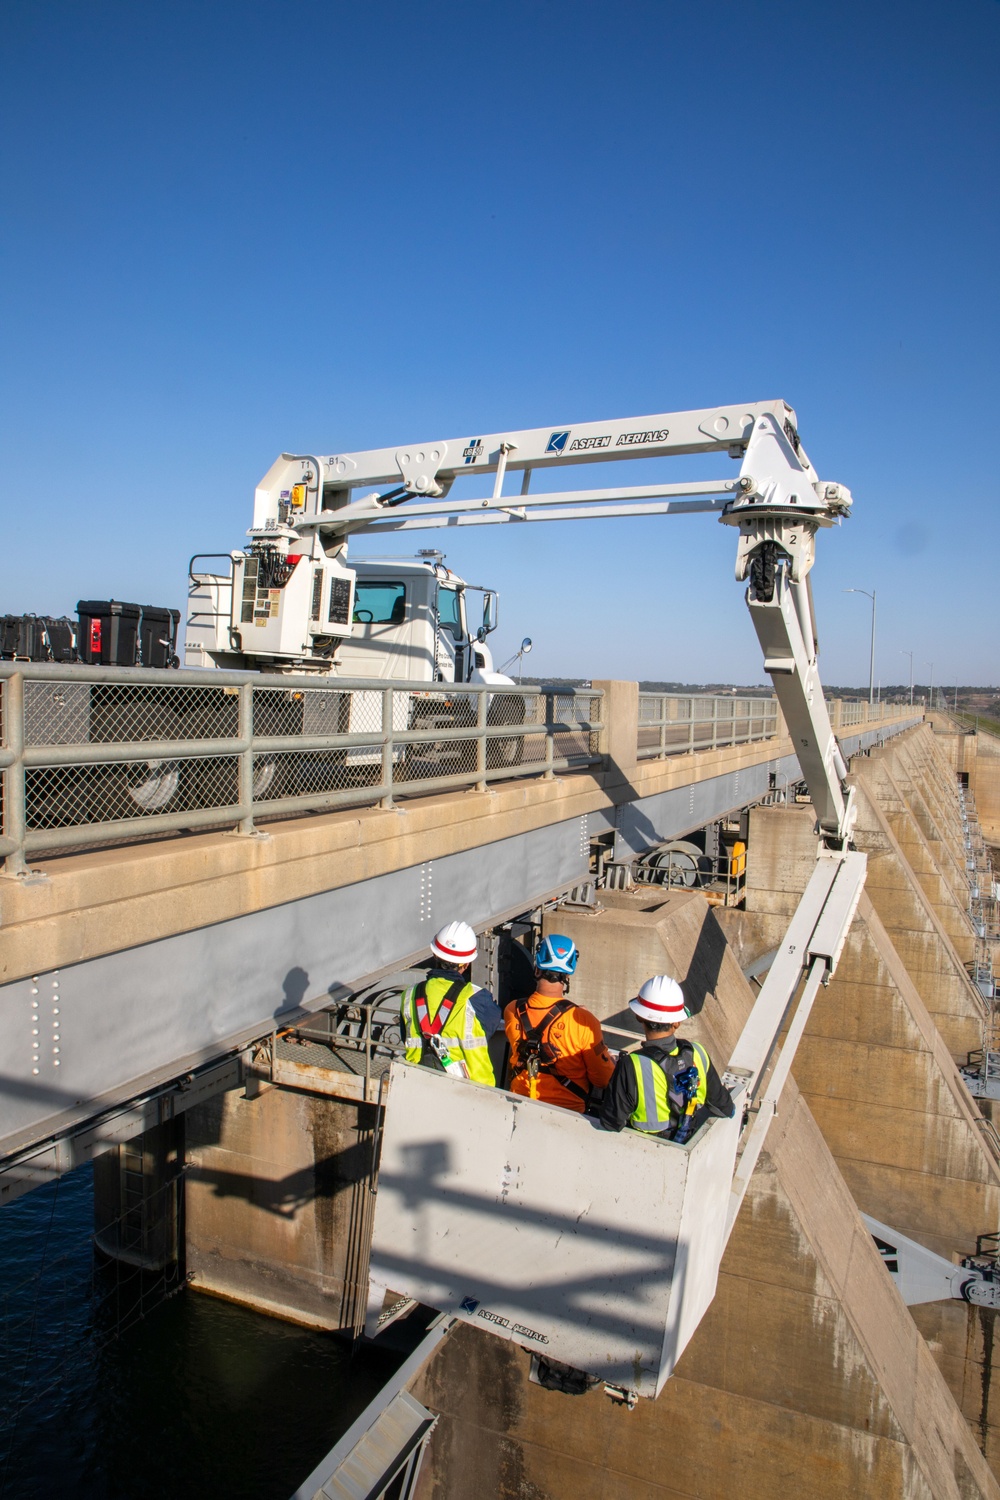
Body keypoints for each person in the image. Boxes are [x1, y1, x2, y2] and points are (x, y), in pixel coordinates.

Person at [600, 975, 734, 1139]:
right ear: (677, 1022)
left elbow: (611, 1123)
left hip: (642, 1153)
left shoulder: (632, 1065)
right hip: (687, 1145)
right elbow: (724, 1108)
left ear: (639, 1016)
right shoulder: (698, 1053)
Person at [504, 934, 615, 1114]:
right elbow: (602, 1079)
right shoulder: (584, 1021)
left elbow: (539, 1015)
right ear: (568, 974)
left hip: (518, 1103)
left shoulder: (513, 1010)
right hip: (567, 1113)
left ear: (537, 968)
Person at [401, 920, 503, 1085]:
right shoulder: (477, 999)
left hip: (416, 1083)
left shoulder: (409, 995)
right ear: (467, 963)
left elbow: (405, 1035)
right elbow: (491, 1024)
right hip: (473, 1091)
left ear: (435, 954)